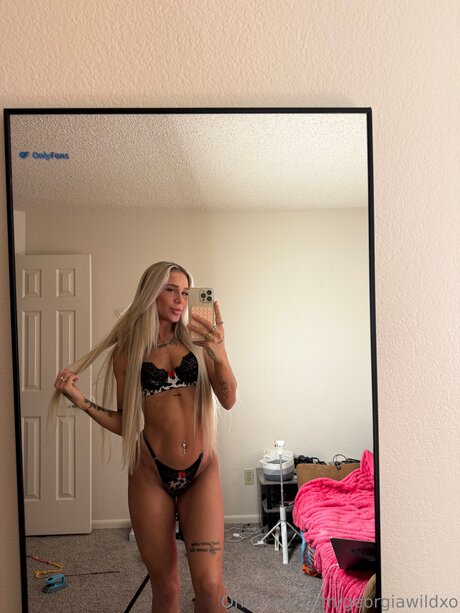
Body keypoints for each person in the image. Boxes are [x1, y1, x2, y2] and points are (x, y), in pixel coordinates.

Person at [51, 261, 237, 613]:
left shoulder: (200, 342)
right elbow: (126, 423)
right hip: (150, 474)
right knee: (166, 587)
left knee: (211, 588)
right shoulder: (128, 353)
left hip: (201, 471)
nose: (180, 300)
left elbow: (228, 399)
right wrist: (82, 402)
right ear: (151, 293)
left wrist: (219, 350)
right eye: (171, 290)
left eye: (185, 292)